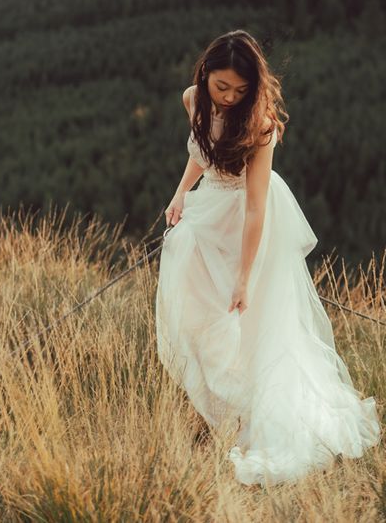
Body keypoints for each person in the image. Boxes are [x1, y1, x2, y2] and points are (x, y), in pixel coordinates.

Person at [155, 29, 381, 487]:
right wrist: (181, 194)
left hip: (251, 218)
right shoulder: (192, 99)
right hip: (209, 207)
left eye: (240, 91)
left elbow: (256, 207)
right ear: (205, 75)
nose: (229, 98)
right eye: (221, 88)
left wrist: (244, 276)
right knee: (198, 308)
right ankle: (229, 405)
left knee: (258, 321)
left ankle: (263, 413)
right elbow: (201, 151)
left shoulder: (260, 125)